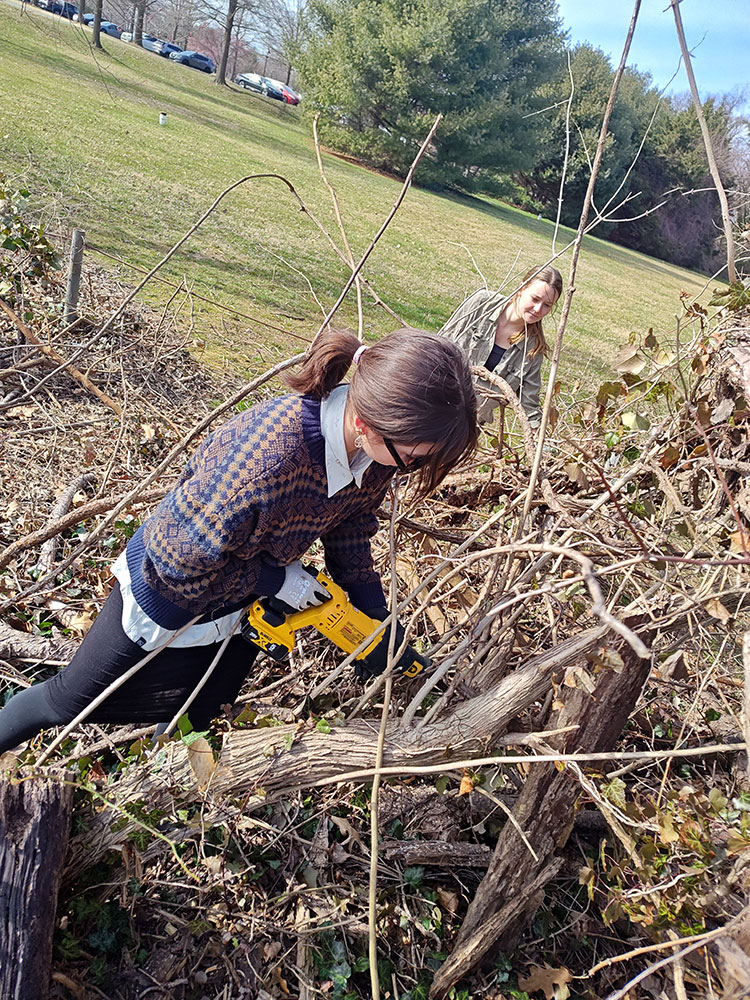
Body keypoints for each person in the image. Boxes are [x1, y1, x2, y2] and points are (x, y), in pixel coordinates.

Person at [0, 329, 478, 754]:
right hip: (167, 592)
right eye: (413, 458)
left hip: (244, 596)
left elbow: (351, 523)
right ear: (365, 425)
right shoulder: (267, 459)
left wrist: (372, 614)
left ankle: (168, 784)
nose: (409, 468)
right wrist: (274, 579)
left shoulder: (375, 455)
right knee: (66, 702)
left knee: (208, 703)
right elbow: (179, 564)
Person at [439, 266, 563, 430]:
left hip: (466, 427)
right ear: (521, 289)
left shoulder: (533, 351)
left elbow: (529, 404)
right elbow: (439, 344)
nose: (538, 309)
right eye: (534, 299)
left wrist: (539, 439)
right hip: (434, 399)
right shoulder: (482, 304)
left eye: (547, 305)